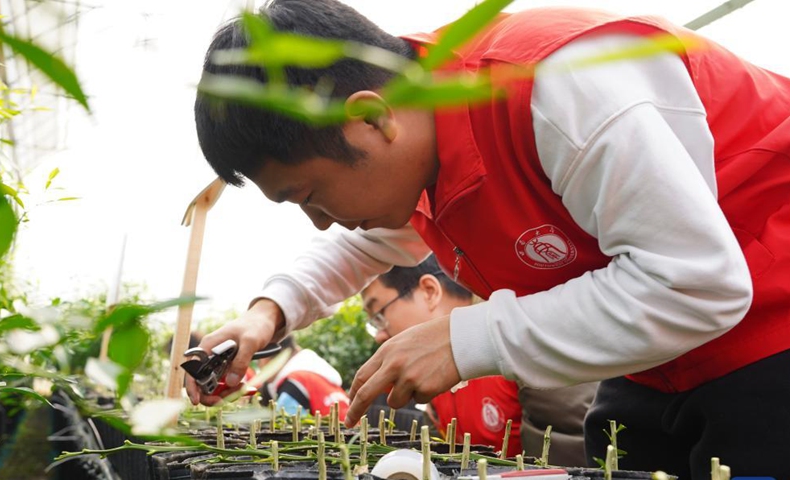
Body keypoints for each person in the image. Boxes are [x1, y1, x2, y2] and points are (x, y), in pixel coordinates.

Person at [189, 1, 790, 477]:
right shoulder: (419, 145)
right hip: (659, 362)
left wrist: (464, 339)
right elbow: (365, 241)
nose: (320, 221)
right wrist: (267, 317)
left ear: (370, 120)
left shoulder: (559, 84)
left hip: (770, 330)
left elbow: (695, 282)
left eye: (308, 196)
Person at [362, 257, 596, 465]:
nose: (380, 335)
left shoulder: (520, 341)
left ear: (429, 291)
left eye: (379, 315)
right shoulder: (429, 381)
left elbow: (568, 455)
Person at [254, 335, 350, 421]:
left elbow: (286, 428)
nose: (260, 366)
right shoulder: (317, 375)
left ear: (267, 357)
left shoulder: (293, 384)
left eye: (259, 360)